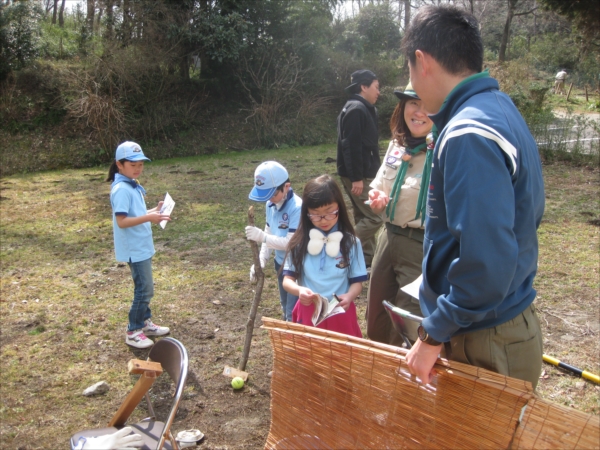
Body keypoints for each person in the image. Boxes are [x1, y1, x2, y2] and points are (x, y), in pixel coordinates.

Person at [402, 5, 545, 388]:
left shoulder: (469, 133)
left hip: (485, 339)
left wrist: (434, 332)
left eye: (409, 72)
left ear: (422, 61)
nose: (412, 84)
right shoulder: (497, 108)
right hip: (495, 327)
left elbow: (487, 262)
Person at [365, 82, 434, 346]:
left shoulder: (444, 149)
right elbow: (379, 189)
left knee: (407, 323)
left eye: (427, 104)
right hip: (388, 238)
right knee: (376, 320)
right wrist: (377, 200)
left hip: (420, 246)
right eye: (414, 103)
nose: (420, 111)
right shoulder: (398, 145)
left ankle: (402, 379)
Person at [282, 175, 367, 338]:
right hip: (309, 311)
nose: (323, 220)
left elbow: (357, 282)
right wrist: (299, 290)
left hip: (341, 311)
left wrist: (349, 296)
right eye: (315, 214)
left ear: (339, 208)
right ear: (306, 213)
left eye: (329, 213)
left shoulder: (351, 243)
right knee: (310, 354)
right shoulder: (298, 243)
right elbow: (287, 281)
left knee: (343, 355)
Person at [106, 141, 171, 349]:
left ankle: (145, 323)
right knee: (144, 290)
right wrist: (149, 218)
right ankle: (133, 330)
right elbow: (122, 221)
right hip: (135, 248)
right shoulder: (122, 190)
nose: (138, 168)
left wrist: (155, 211)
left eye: (141, 164)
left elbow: (136, 214)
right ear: (119, 164)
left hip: (142, 245)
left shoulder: (132, 185)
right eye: (133, 164)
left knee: (145, 287)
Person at [336, 69, 384, 267]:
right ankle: (343, 248)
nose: (378, 92)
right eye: (376, 87)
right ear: (363, 87)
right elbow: (351, 145)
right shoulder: (356, 109)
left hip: (361, 172)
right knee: (375, 217)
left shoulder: (359, 107)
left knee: (363, 214)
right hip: (359, 174)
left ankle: (366, 258)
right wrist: (356, 177)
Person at [245, 161, 302, 321]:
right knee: (284, 306)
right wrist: (262, 260)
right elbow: (269, 229)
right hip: (280, 264)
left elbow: (291, 243)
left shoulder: (297, 207)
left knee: (293, 312)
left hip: (297, 266)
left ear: (287, 187)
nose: (270, 199)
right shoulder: (270, 204)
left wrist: (262, 237)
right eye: (266, 195)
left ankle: (294, 343)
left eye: (273, 194)